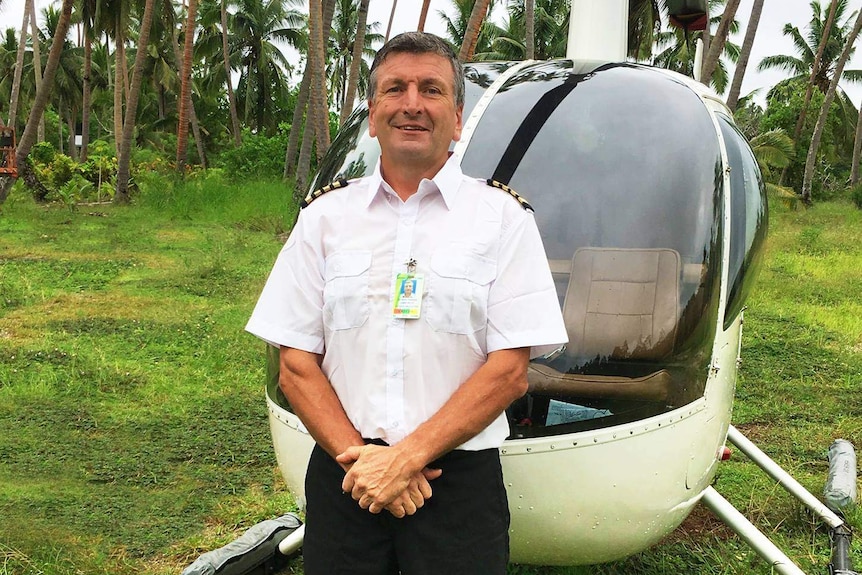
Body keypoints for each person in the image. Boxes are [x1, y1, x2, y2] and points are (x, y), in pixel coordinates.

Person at [246, 32, 567, 575]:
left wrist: (406, 458)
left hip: (456, 482)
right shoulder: (324, 219)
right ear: (373, 115)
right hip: (346, 473)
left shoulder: (503, 220)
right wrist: (367, 463)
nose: (412, 103)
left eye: (431, 89)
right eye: (395, 89)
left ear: (458, 119)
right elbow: (295, 364)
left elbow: (510, 371)